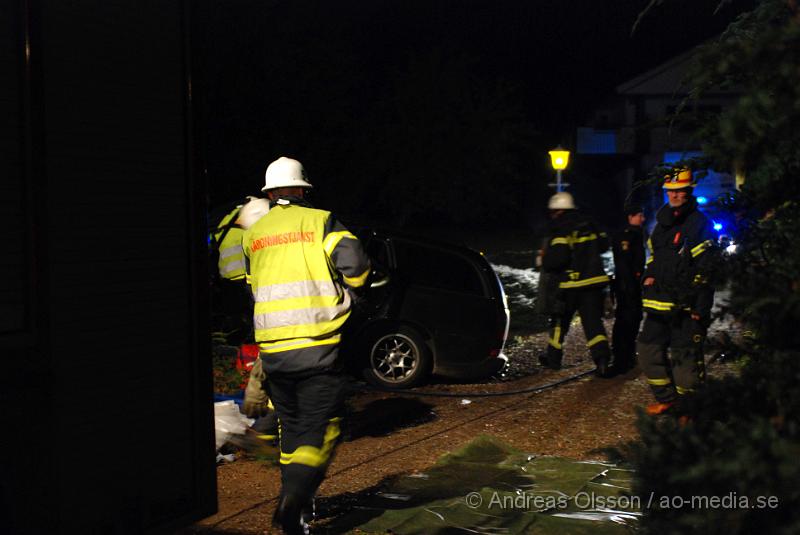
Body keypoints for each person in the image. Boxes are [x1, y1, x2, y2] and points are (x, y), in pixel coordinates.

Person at [242, 156, 371, 534]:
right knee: (323, 428)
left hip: (274, 353)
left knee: (290, 427)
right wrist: (356, 291)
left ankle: (298, 511)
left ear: (270, 192)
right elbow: (358, 267)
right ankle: (293, 500)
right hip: (319, 349)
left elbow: (253, 287)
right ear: (301, 189)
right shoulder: (320, 220)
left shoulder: (254, 234)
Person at [637, 169, 717, 415]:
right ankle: (668, 401)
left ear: (689, 191)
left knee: (686, 362)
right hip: (659, 304)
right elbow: (654, 259)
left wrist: (699, 308)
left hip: (686, 306)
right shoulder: (661, 225)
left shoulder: (699, 224)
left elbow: (707, 269)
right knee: (647, 351)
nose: (674, 195)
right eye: (670, 191)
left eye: (679, 190)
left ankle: (691, 413)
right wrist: (649, 276)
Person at [539, 192, 612, 377]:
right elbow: (604, 245)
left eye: (553, 212)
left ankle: (553, 359)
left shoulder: (561, 228)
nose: (552, 216)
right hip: (594, 284)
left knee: (559, 323)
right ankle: (602, 359)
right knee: (593, 323)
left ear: (558, 211)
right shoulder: (590, 224)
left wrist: (544, 259)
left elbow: (558, 259)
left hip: (571, 286)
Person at [610, 203, 646, 375]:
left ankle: (628, 356)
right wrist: (628, 285)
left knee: (633, 320)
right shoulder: (627, 235)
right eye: (639, 215)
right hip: (627, 286)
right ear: (630, 217)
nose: (643, 219)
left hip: (632, 285)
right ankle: (621, 359)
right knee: (626, 321)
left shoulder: (636, 234)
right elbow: (624, 264)